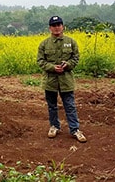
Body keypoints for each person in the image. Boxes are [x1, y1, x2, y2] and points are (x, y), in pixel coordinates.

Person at [37, 15, 87, 143]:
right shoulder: (44, 44)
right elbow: (40, 61)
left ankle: (75, 129)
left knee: (70, 105)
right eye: (54, 25)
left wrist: (68, 65)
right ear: (50, 28)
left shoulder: (71, 42)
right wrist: (53, 67)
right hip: (50, 81)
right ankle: (54, 126)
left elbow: (75, 58)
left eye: (59, 25)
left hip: (66, 80)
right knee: (52, 106)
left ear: (62, 26)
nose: (56, 27)